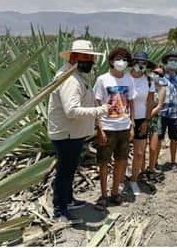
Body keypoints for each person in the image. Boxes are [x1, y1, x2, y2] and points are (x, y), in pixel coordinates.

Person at [47, 40, 109, 220]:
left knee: (69, 169)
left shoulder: (74, 75)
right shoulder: (70, 80)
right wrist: (101, 110)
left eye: (90, 58)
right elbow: (72, 110)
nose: (89, 61)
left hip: (71, 133)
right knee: (65, 171)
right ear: (73, 57)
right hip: (66, 134)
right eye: (85, 57)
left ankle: (68, 200)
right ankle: (59, 208)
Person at [94, 47, 135, 208]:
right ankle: (103, 195)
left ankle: (115, 192)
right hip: (108, 127)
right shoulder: (102, 79)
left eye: (125, 59)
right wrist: (100, 128)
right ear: (111, 61)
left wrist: (132, 125)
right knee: (103, 162)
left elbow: (130, 103)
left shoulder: (129, 79)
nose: (121, 62)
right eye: (118, 58)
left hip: (124, 127)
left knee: (121, 160)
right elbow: (97, 104)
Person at [127, 51, 154, 194]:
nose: (141, 65)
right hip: (124, 120)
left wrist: (146, 121)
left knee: (139, 153)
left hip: (141, 119)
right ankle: (119, 182)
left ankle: (133, 180)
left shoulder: (149, 81)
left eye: (143, 63)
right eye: (138, 62)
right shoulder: (125, 78)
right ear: (133, 63)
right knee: (123, 152)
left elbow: (150, 102)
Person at [156, 50, 177, 170]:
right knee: (158, 138)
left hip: (175, 113)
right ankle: (155, 162)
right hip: (161, 112)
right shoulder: (160, 76)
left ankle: (173, 161)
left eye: (175, 61)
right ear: (166, 62)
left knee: (174, 139)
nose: (173, 62)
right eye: (171, 60)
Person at [146, 65, 167, 175]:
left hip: (154, 118)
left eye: (160, 74)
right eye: (155, 72)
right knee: (142, 146)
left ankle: (151, 167)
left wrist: (148, 116)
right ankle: (141, 170)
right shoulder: (145, 84)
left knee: (153, 147)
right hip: (142, 117)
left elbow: (159, 106)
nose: (157, 75)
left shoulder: (162, 88)